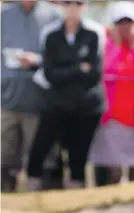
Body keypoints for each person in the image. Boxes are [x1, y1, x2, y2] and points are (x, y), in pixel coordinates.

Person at [26, 0, 105, 190]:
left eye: (78, 3)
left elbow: (94, 74)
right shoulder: (52, 35)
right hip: (56, 104)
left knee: (78, 153)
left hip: (85, 107)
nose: (73, 7)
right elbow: (49, 74)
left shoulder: (93, 34)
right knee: (41, 147)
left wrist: (65, 70)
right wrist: (78, 67)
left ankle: (76, 189)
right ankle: (31, 186)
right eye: (68, 3)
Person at [88, 1, 134, 185]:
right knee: (110, 175)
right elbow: (105, 71)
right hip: (110, 120)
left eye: (128, 22)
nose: (125, 27)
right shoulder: (105, 46)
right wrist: (116, 45)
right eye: (120, 23)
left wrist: (133, 44)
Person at [1, 0, 62, 192]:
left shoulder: (54, 16)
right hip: (6, 99)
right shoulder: (4, 15)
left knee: (39, 157)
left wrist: (37, 60)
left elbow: (61, 56)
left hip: (39, 101)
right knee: (5, 155)